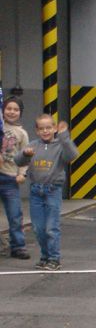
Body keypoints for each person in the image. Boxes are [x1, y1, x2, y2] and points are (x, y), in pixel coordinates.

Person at [14, 115, 79, 270]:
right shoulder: (33, 145)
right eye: (41, 129)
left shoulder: (60, 146)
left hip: (52, 191)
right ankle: (45, 256)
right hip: (36, 191)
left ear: (54, 128)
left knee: (51, 227)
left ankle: (54, 258)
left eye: (48, 128)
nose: (45, 131)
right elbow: (18, 160)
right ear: (37, 131)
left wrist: (64, 136)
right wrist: (25, 154)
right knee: (38, 228)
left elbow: (72, 155)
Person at [0, 96, 30, 259]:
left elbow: (25, 156)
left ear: (20, 112)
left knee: (15, 215)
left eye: (16, 109)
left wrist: (22, 173)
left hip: (10, 179)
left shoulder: (22, 133)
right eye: (8, 108)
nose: (11, 112)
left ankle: (18, 246)